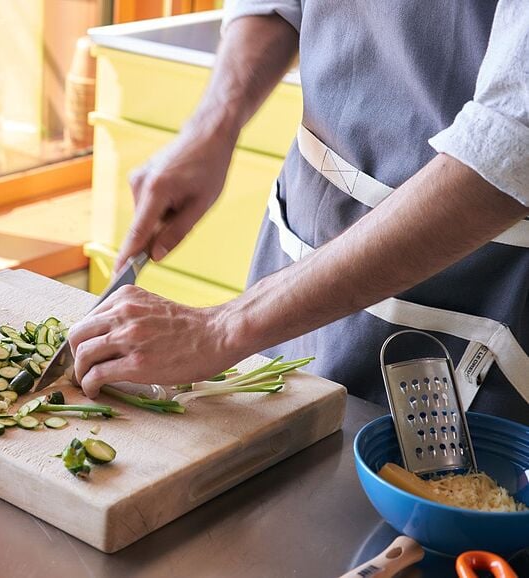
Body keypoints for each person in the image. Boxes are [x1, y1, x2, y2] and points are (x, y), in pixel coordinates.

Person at [68, 1, 529, 425]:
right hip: (298, 234)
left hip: (476, 293)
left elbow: (511, 145)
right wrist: (213, 126)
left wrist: (222, 328)